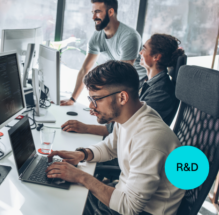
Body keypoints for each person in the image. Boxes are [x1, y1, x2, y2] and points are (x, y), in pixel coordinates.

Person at [47, 61, 184, 215]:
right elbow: (110, 147)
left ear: (122, 97)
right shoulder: (131, 116)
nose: (91, 106)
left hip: (140, 211)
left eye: (96, 99)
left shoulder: (149, 139)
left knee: (56, 204)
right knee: (60, 193)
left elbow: (129, 207)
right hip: (124, 196)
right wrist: (83, 154)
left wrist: (81, 177)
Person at [62, 34, 184, 136]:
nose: (140, 52)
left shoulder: (161, 92)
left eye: (144, 49)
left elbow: (130, 127)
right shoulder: (147, 81)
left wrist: (86, 128)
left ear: (156, 57)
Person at [60, 0, 146, 106]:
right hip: (119, 81)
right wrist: (72, 99)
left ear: (110, 12)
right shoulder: (97, 36)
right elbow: (85, 69)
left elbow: (123, 75)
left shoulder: (129, 36)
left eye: (97, 12)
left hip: (138, 84)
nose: (93, 17)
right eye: (92, 13)